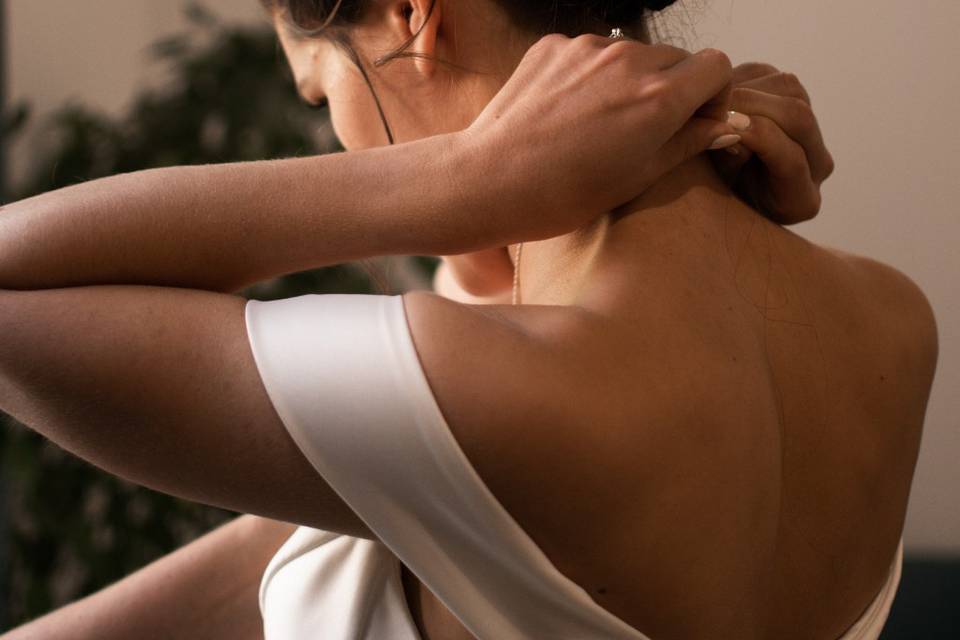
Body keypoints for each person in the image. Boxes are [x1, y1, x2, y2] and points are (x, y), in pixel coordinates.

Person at [0, 1, 937, 639]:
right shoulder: (894, 319)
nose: (336, 132)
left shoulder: (503, 385)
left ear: (414, 13)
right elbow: (318, 541)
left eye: (323, 93)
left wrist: (468, 180)